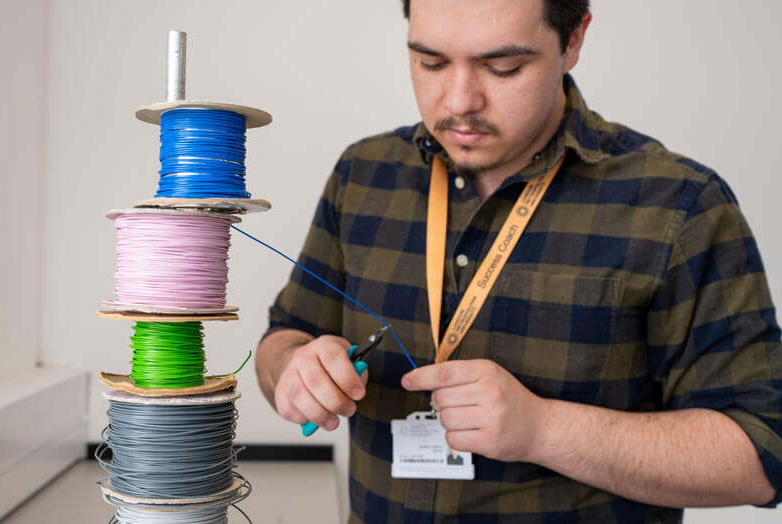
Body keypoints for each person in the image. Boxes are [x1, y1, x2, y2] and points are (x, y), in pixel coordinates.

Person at [255, 0, 782, 522]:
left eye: (502, 67)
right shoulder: (362, 174)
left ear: (573, 40)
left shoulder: (679, 205)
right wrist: (295, 372)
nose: (460, 100)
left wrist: (544, 429)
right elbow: (283, 338)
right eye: (430, 62)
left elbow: (762, 452)